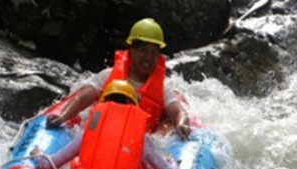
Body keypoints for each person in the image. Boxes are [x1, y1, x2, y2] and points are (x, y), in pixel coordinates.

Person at [46, 18, 192, 139]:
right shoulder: (108, 75)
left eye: (153, 53)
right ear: (132, 50)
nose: (148, 57)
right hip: (104, 134)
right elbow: (83, 97)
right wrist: (64, 116)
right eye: (143, 50)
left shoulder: (161, 89)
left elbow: (179, 111)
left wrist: (181, 123)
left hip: (139, 144)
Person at [34, 80, 180, 169]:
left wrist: (37, 153)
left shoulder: (87, 133)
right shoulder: (141, 140)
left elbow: (50, 165)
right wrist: (173, 163)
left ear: (103, 105)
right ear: (133, 107)